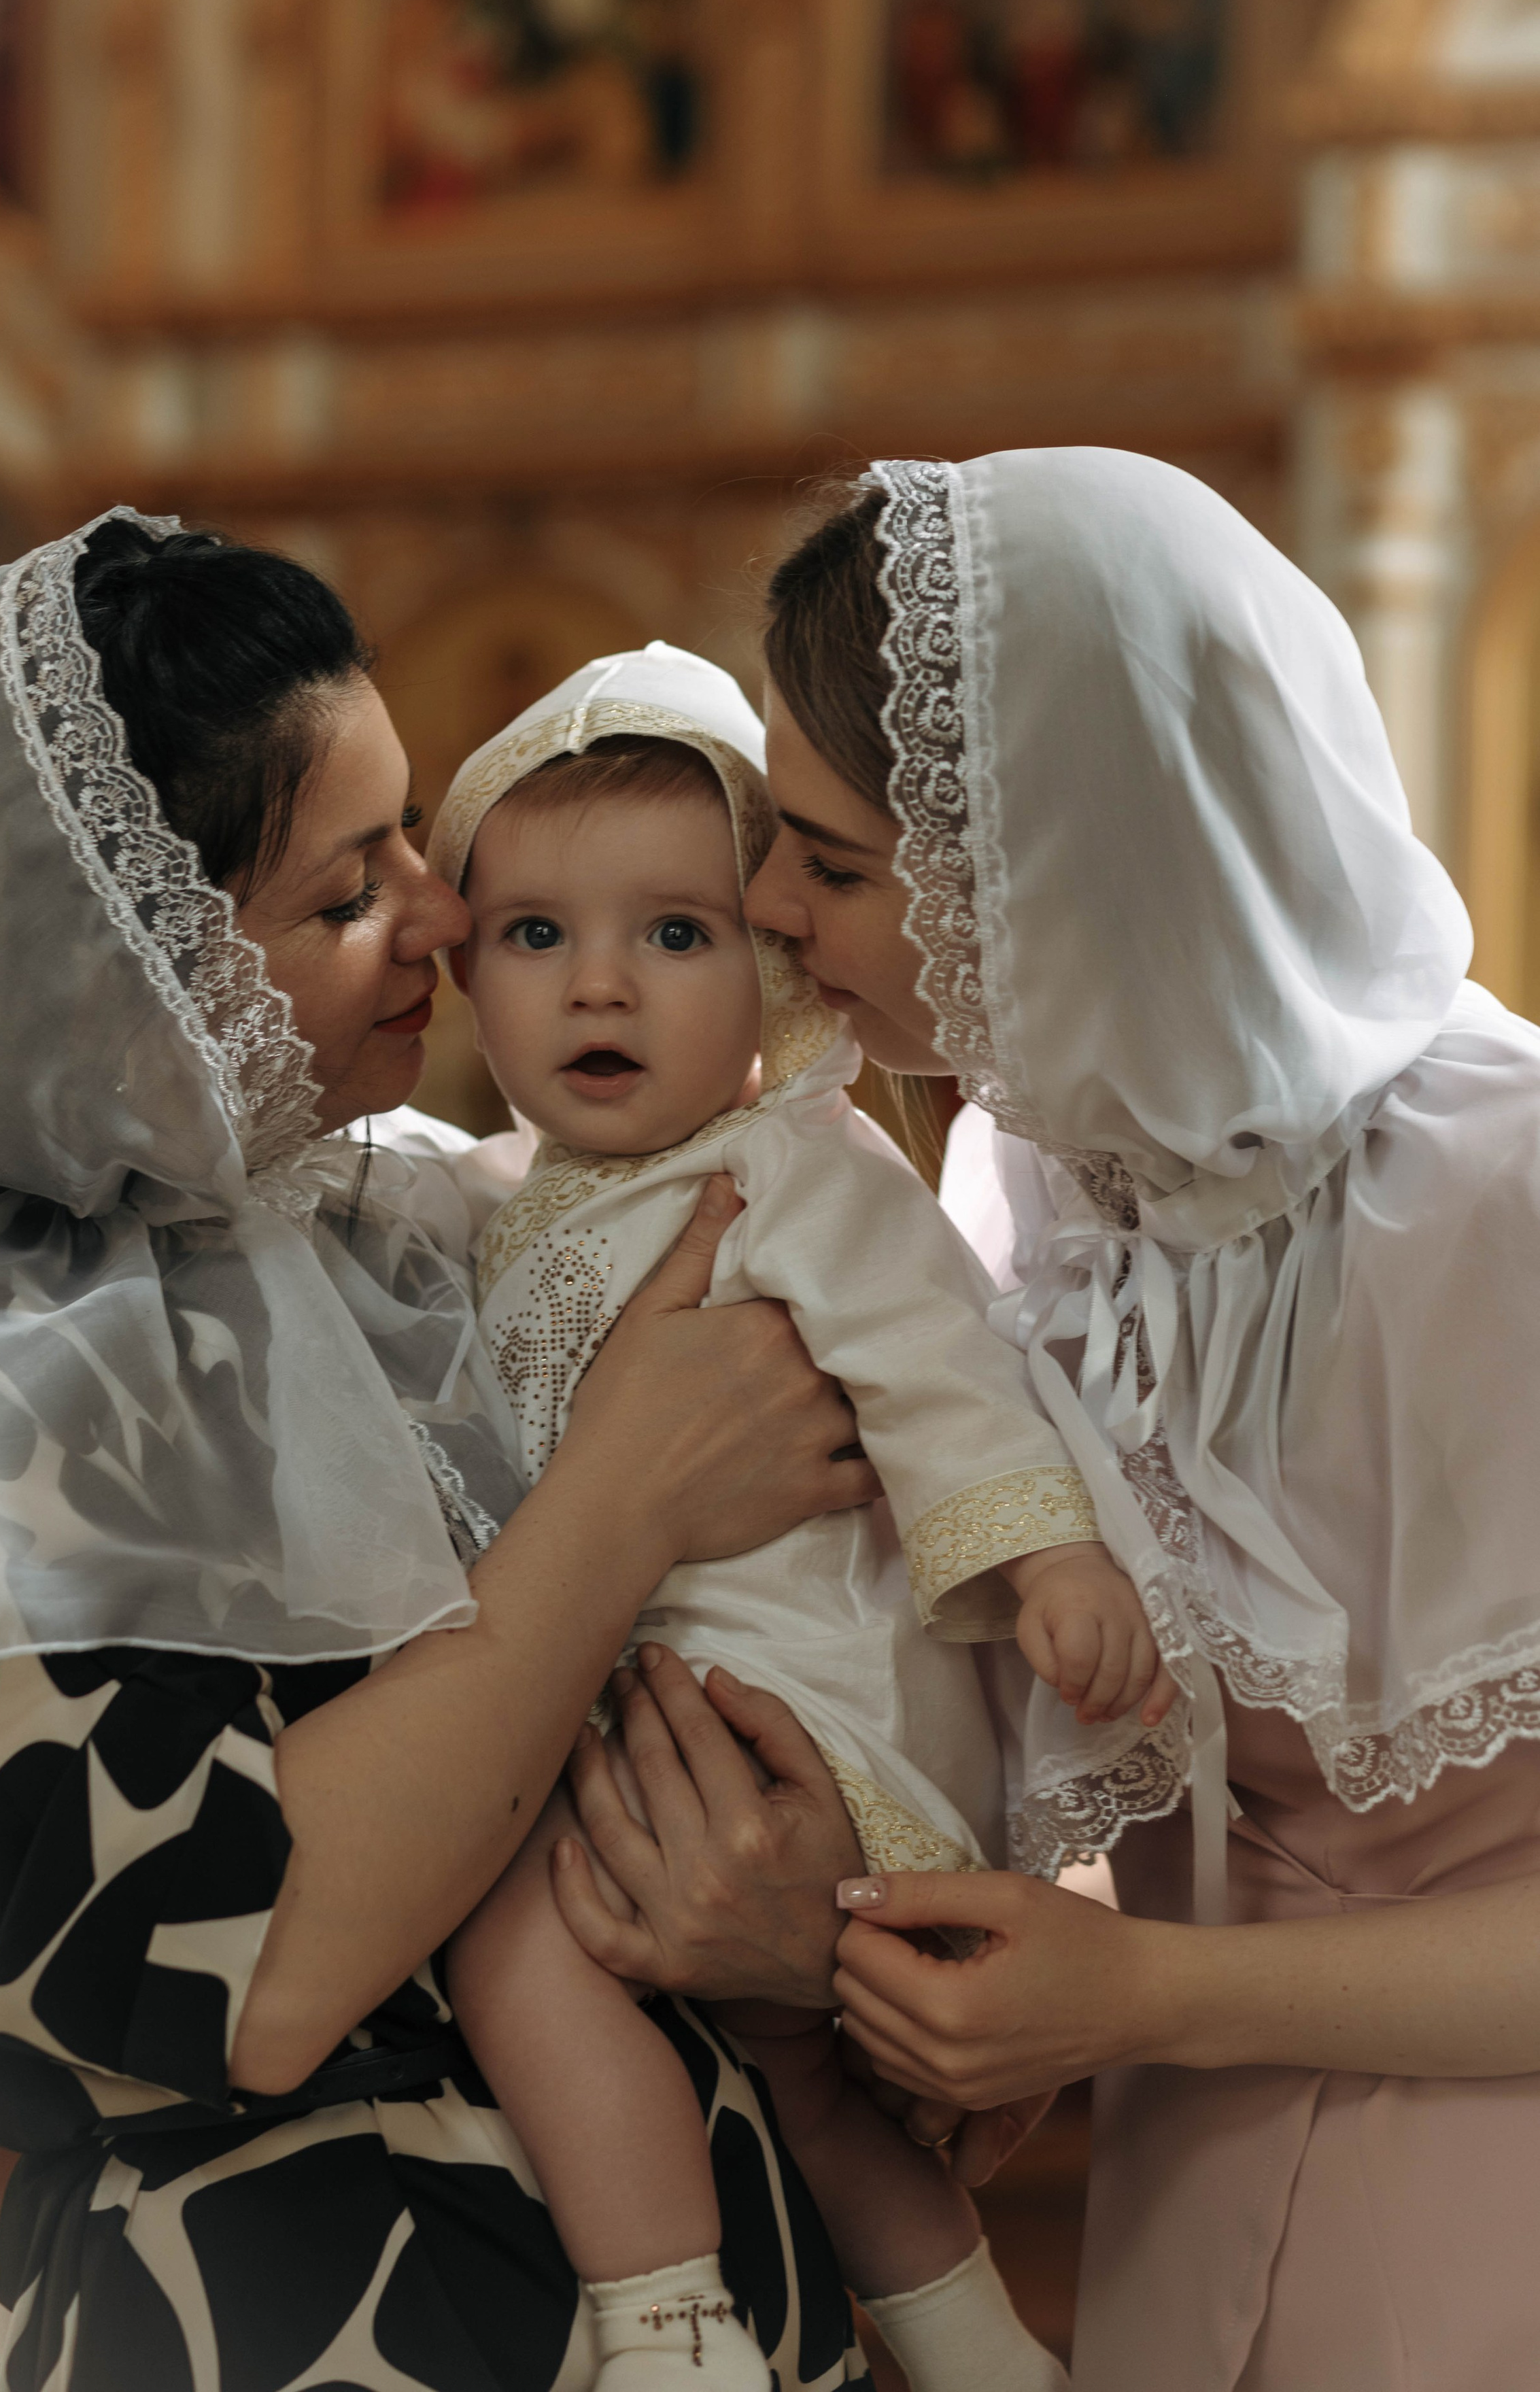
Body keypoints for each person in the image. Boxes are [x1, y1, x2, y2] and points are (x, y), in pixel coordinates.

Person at [0, 508, 893, 2391]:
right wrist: (623, 1494)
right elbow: (255, 1971)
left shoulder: (418, 1223)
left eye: (413, 836)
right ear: (121, 971)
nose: (452, 914)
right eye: (350, 891)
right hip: (288, 2324)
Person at [590, 445, 1540, 2392]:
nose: (767, 906)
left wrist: (1155, 1991)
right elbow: (1133, 1751)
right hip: (1187, 2201)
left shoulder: (1509, 1203)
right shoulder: (1033, 1177)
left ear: (1078, 856)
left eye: (834, 865)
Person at [425, 645, 1169, 2391]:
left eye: (672, 936)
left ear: (772, 970)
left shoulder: (794, 1169)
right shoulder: (483, 1199)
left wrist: (1046, 1553)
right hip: (654, 1711)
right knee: (812, 2094)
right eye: (535, 936)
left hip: (790, 1715)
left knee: (505, 1919)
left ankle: (663, 2309)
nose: (597, 987)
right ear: (465, 964)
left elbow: (935, 1365)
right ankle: (979, 2342)